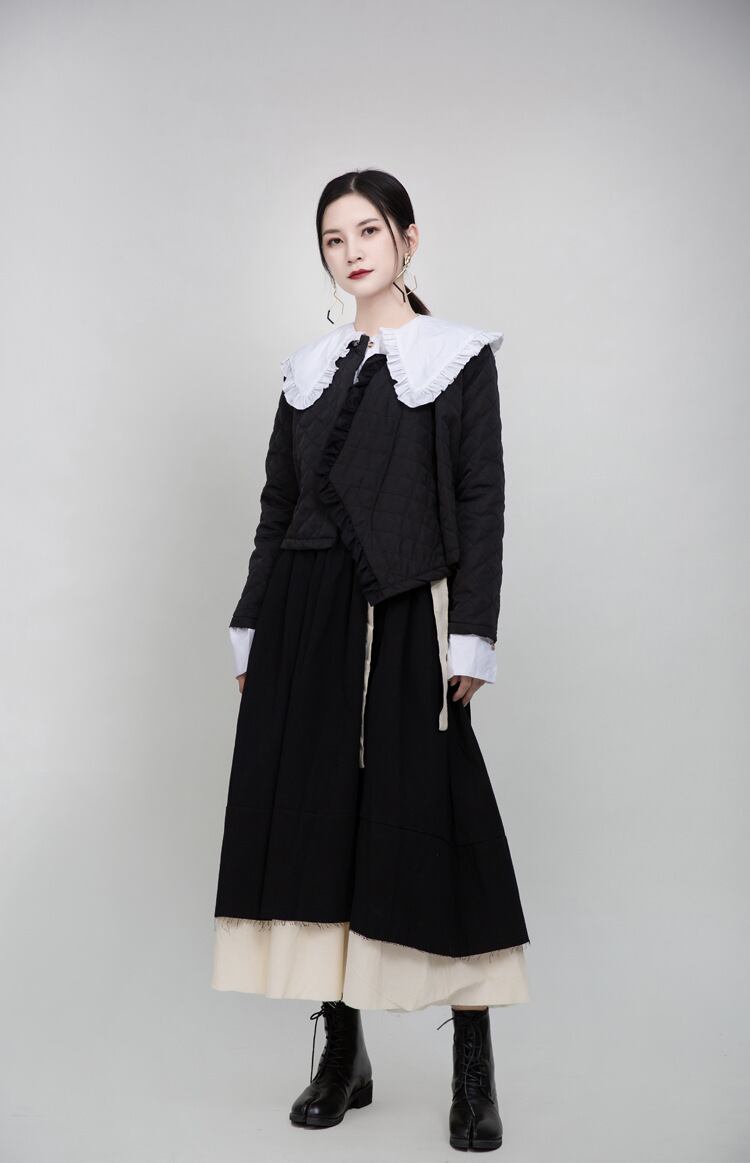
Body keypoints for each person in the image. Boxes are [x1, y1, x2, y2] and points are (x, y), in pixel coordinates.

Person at [212, 168, 531, 1153]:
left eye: (368, 231)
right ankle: (342, 1053)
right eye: (333, 238)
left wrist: (470, 632)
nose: (351, 251)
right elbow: (277, 506)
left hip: (405, 609)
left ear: (407, 238)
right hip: (305, 614)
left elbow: (480, 497)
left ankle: (473, 1069)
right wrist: (253, 624)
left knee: (438, 817)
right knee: (323, 823)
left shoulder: (457, 358)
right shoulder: (306, 370)